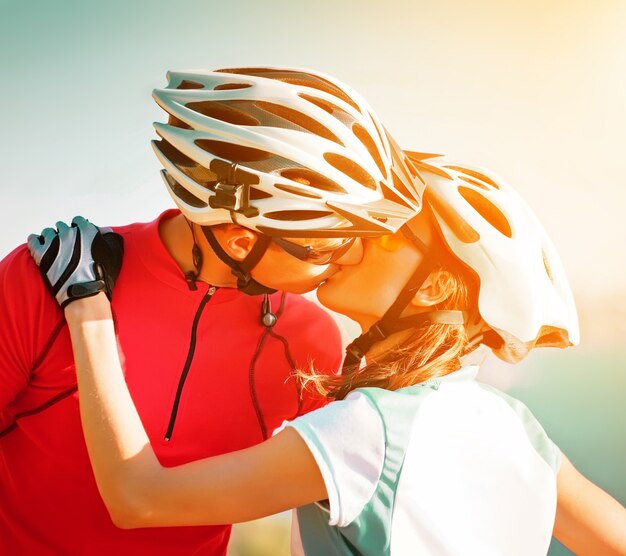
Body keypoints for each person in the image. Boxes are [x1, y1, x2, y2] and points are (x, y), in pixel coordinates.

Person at [29, 154, 626, 555]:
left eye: (391, 226)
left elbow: (139, 500)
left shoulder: (368, 431)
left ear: (439, 279)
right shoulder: (515, 427)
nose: (353, 232)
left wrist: (87, 306)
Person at [0, 67, 422, 555]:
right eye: (323, 247)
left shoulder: (312, 343)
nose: (350, 258)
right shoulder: (48, 279)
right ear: (243, 241)